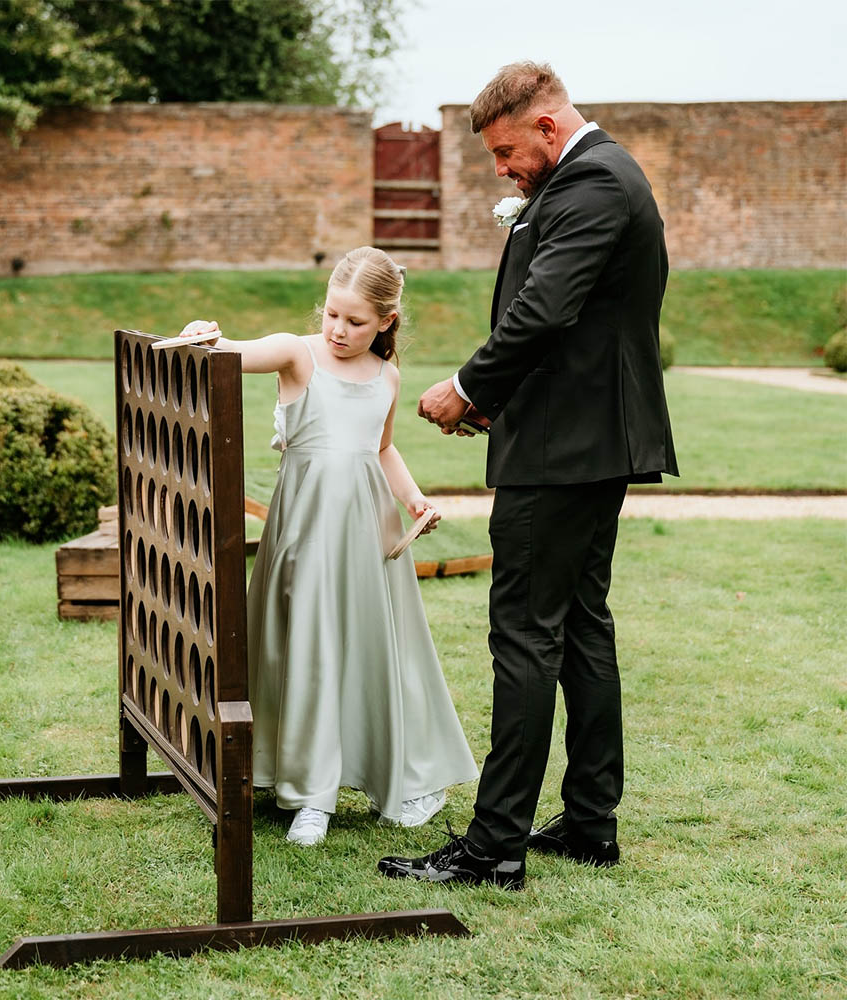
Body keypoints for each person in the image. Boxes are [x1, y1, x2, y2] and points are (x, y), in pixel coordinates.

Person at [378, 62, 678, 890]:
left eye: (507, 152)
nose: (501, 170)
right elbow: (566, 323)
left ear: (548, 127)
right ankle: (588, 823)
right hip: (573, 439)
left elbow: (544, 307)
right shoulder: (589, 178)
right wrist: (497, 400)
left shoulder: (594, 184)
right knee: (580, 625)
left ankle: (493, 847)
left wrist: (468, 387)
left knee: (523, 636)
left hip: (563, 452)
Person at [174, 246, 478, 846]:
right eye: (333, 315)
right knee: (304, 648)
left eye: (356, 321)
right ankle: (308, 792)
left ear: (386, 322)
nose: (339, 330)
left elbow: (381, 448)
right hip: (306, 533)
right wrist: (205, 336)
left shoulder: (387, 376)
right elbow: (232, 352)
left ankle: (363, 772)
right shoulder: (299, 355)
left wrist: (414, 500)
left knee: (363, 650)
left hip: (366, 535)